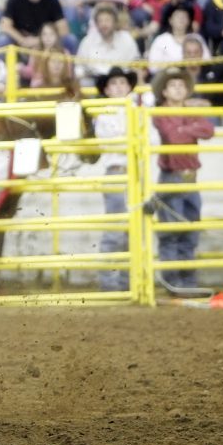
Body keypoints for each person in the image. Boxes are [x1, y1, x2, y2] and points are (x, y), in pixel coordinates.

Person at [150, 67, 214, 290]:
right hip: (172, 177)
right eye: (173, 85)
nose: (178, 89)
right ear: (165, 92)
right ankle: (173, 281)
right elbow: (174, 136)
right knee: (172, 232)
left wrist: (183, 127)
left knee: (189, 231)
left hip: (188, 178)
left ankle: (186, 281)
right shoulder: (161, 113)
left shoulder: (183, 112)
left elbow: (208, 130)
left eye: (181, 85)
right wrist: (190, 128)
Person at [93, 67, 136, 292]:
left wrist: (127, 141)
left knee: (132, 230)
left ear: (129, 87)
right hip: (118, 171)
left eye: (122, 83)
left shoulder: (135, 110)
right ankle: (110, 283)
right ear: (107, 90)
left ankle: (127, 282)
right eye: (114, 84)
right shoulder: (105, 113)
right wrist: (131, 140)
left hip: (134, 172)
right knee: (116, 230)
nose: (119, 87)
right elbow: (109, 144)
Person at [75, 4, 141, 85]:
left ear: (115, 22)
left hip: (123, 82)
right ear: (96, 24)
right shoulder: (87, 41)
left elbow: (136, 64)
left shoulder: (126, 39)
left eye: (107, 20)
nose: (104, 24)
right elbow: (79, 67)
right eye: (100, 21)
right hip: (94, 81)